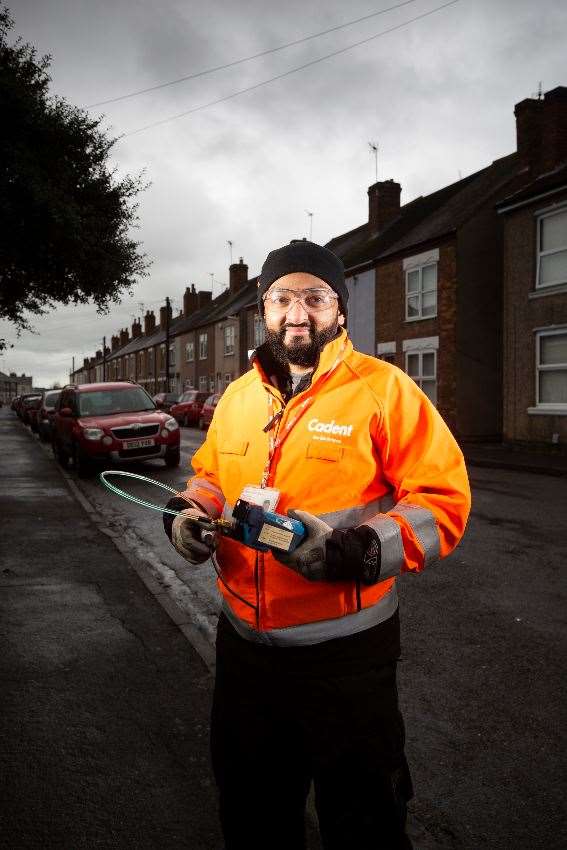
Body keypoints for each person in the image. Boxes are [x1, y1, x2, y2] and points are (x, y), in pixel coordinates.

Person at [163, 239, 471, 850]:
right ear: (263, 311)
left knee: (365, 825)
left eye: (313, 297)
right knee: (253, 815)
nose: (296, 313)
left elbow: (444, 502)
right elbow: (210, 475)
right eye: (281, 298)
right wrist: (190, 512)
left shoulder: (385, 390)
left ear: (340, 310)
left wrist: (354, 551)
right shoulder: (238, 397)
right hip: (245, 656)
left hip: (347, 661)